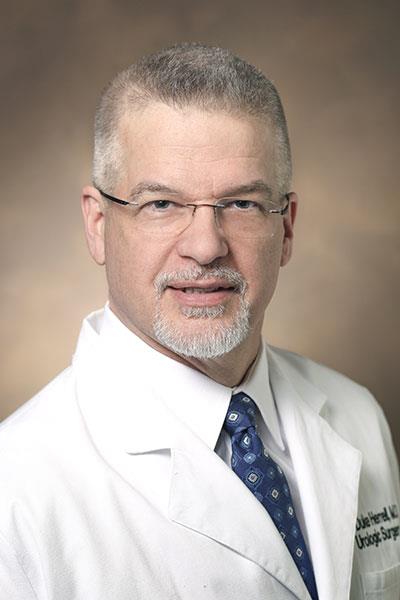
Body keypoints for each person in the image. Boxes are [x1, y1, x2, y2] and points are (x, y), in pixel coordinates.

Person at [0, 43, 399, 600]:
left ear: (286, 228)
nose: (206, 246)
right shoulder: (16, 491)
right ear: (98, 225)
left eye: (242, 204)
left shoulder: (358, 416)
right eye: (161, 204)